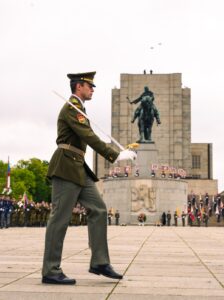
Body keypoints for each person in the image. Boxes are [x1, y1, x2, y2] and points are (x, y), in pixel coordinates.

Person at [42, 72, 137, 285]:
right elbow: (89, 137)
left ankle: (100, 262)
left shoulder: (79, 109)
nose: (92, 89)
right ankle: (50, 269)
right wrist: (115, 155)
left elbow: (87, 136)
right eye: (89, 86)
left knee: (99, 209)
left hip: (78, 167)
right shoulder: (71, 108)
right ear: (79, 87)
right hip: (66, 165)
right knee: (60, 219)